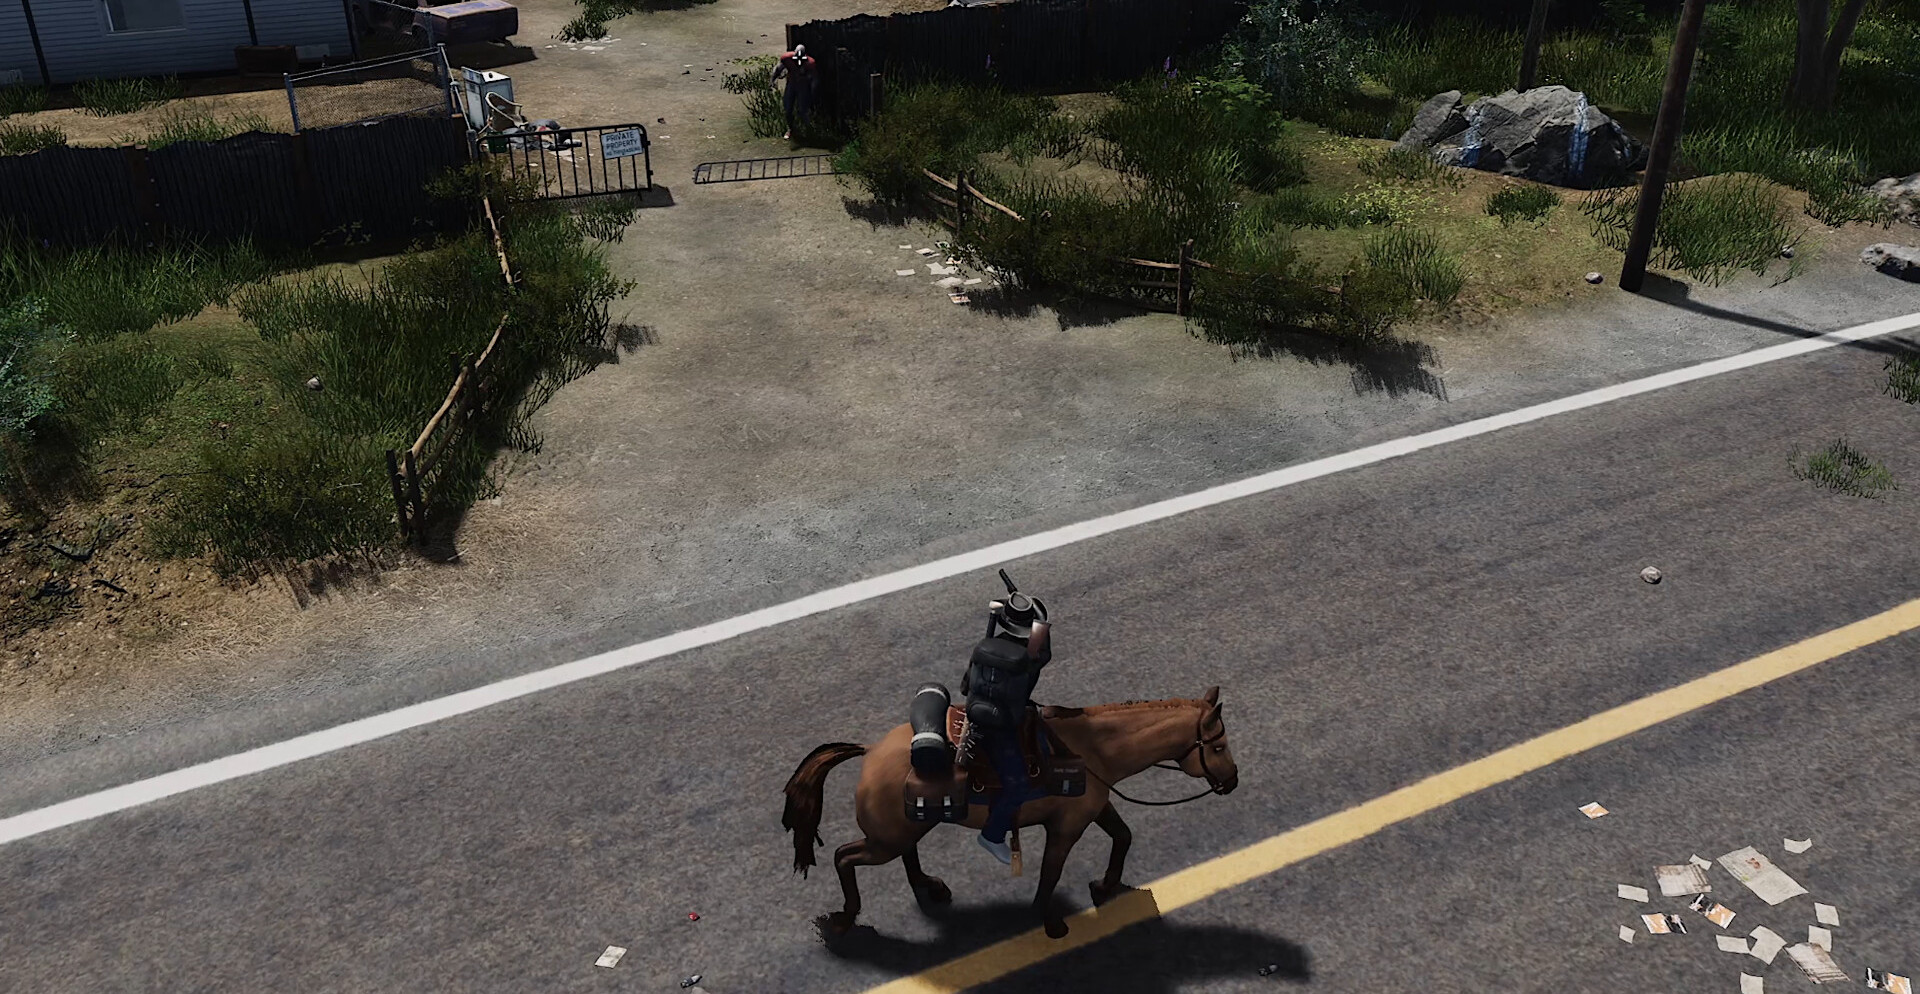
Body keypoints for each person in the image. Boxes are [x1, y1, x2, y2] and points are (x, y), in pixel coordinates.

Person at [960, 571, 1052, 865]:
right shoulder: (1028, 658)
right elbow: (1043, 651)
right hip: (1000, 729)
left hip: (975, 715)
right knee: (1018, 785)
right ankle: (992, 835)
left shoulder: (985, 646)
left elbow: (964, 686)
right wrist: (1039, 617)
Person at [770, 44, 817, 141]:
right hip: (791, 84)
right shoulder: (787, 58)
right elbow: (778, 69)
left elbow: (814, 79)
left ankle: (809, 130)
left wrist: (812, 91)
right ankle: (791, 129)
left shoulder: (810, 63)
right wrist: (772, 80)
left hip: (803, 87)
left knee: (803, 110)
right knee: (788, 109)